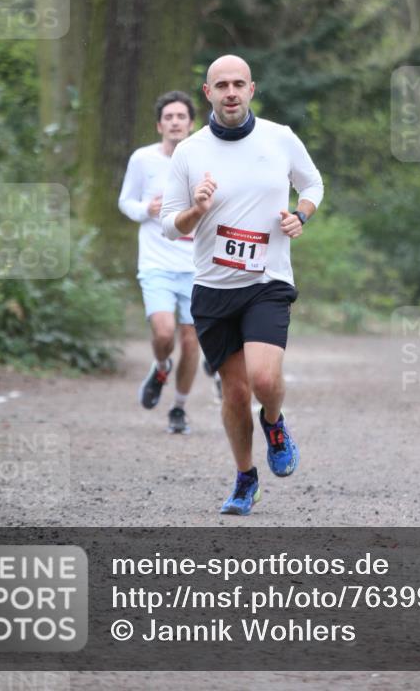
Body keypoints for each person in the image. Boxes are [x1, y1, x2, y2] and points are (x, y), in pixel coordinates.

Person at [161, 56, 323, 514]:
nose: (230, 92)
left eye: (238, 84)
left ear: (251, 89)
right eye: (220, 85)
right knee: (234, 393)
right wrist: (196, 210)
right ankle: (245, 478)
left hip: (267, 281)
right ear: (207, 92)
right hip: (213, 288)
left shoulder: (280, 138)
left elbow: (312, 183)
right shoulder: (190, 151)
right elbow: (170, 225)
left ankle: (274, 422)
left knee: (264, 378)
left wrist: (301, 215)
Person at [118, 91, 200, 435]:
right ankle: (162, 366)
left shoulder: (204, 159)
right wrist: (145, 210)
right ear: (159, 125)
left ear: (191, 124)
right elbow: (125, 201)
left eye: (181, 116)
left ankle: (179, 408)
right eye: (169, 117)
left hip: (197, 266)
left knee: (192, 340)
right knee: (164, 332)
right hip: (156, 263)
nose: (175, 122)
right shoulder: (143, 160)